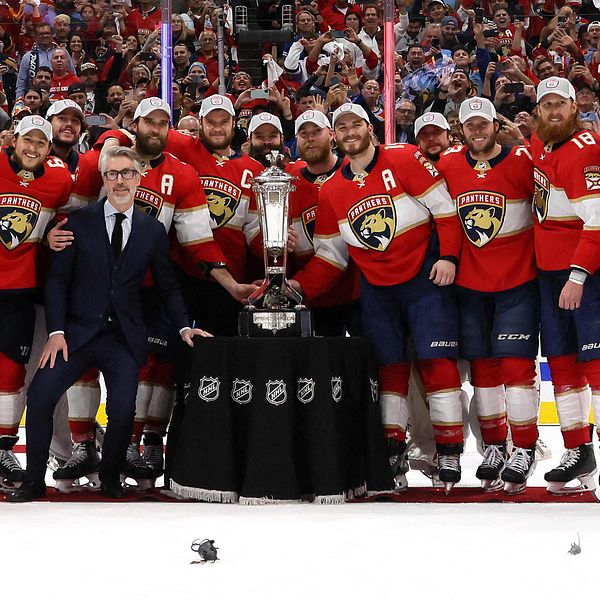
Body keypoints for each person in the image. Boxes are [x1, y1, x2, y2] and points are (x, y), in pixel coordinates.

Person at [9, 146, 210, 502]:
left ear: (138, 178)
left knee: (122, 410)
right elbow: (57, 282)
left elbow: (167, 285)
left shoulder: (152, 230)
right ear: (103, 179)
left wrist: (183, 326)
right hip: (75, 336)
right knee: (39, 397)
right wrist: (56, 332)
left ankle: (112, 475)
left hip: (123, 337)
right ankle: (33, 481)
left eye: (127, 173)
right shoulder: (78, 222)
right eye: (112, 174)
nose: (120, 181)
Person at [290, 103, 465, 492]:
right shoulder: (333, 190)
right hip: (377, 289)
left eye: (356, 124)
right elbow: (332, 256)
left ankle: (450, 449)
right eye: (342, 126)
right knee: (388, 370)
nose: (350, 131)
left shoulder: (403, 158)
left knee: (437, 363)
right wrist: (296, 287)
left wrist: (449, 256)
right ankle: (392, 449)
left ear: (370, 128)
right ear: (335, 135)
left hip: (423, 279)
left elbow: (445, 210)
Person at [437, 97, 540, 495]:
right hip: (470, 285)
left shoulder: (521, 161)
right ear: (460, 129)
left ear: (495, 125)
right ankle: (495, 446)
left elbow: (553, 182)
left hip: (518, 280)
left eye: (483, 124)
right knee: (483, 371)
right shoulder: (447, 164)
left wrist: (528, 143)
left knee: (516, 368)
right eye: (470, 125)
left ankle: (526, 447)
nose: (477, 131)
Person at [531, 77, 600, 494]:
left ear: (576, 106)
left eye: (561, 104)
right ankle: (578, 450)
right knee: (561, 363)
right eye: (546, 105)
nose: (553, 111)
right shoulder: (544, 144)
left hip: (584, 275)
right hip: (549, 273)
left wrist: (578, 275)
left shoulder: (583, 152)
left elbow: (597, 219)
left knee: (595, 365)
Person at [0, 115, 75, 492]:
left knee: (12, 370)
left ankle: (2, 446)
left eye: (41, 144)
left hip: (19, 289)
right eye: (27, 140)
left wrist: (49, 240)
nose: (33, 149)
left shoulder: (58, 179)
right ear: (13, 139)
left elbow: (55, 224)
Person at [287, 110, 360, 336]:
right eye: (304, 133)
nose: (310, 138)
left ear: (331, 135)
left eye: (316, 131)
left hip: (358, 291)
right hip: (314, 295)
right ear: (296, 140)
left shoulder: (355, 170)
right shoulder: (288, 179)